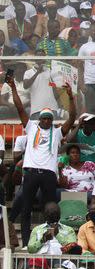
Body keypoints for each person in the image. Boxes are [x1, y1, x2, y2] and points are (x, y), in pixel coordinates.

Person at [9, 74, 76, 244]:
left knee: (50, 210)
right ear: (39, 120)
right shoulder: (31, 128)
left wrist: (70, 97)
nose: (46, 120)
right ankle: (26, 243)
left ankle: (48, 242)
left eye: (49, 118)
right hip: (30, 173)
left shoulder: (58, 132)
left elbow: (72, 118)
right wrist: (14, 88)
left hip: (48, 175)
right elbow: (20, 109)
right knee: (26, 209)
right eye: (44, 118)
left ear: (52, 120)